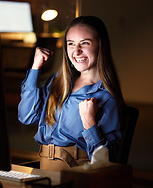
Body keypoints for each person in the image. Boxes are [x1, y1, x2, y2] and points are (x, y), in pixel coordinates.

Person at [18, 16, 125, 172]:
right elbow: (26, 116)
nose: (76, 51)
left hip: (77, 172)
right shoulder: (58, 82)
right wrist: (35, 68)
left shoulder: (106, 97)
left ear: (100, 46)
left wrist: (89, 121)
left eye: (85, 43)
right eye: (71, 44)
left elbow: (107, 161)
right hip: (43, 167)